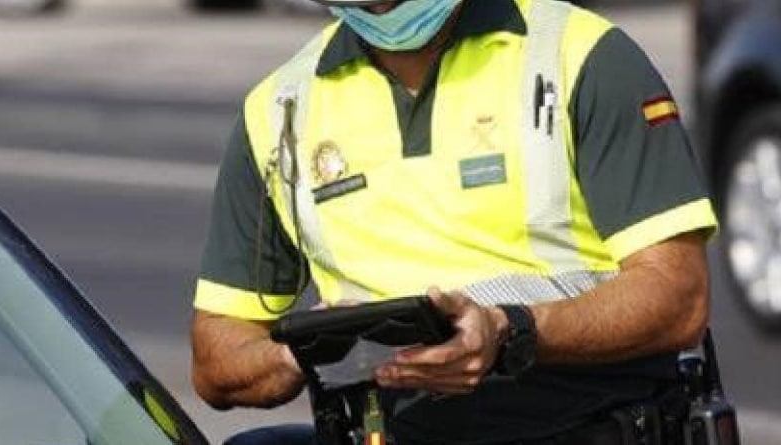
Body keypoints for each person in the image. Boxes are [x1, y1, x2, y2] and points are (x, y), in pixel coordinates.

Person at [190, 0, 718, 444]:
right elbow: (217, 356)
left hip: (584, 425)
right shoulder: (279, 109)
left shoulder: (581, 56)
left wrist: (510, 331)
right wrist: (307, 353)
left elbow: (678, 297)